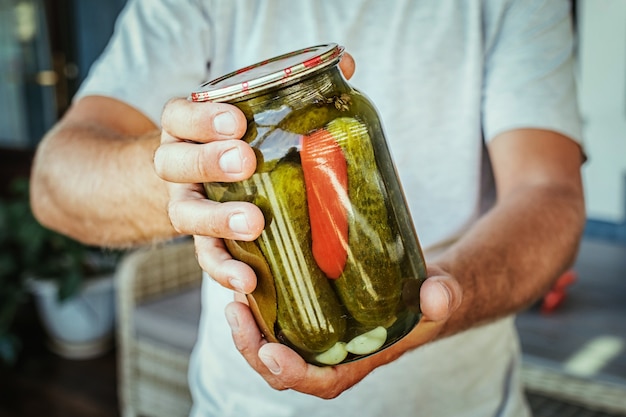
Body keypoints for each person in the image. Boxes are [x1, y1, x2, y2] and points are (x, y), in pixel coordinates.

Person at [29, 1, 586, 416]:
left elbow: (548, 192)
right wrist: (190, 179)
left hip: (470, 401)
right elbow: (56, 182)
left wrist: (449, 295)